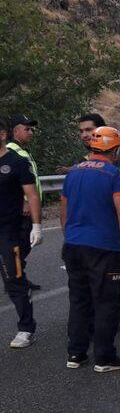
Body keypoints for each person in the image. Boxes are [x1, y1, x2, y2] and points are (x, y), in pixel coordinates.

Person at [60, 126, 120, 372]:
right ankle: (104, 357)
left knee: (79, 300)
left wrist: (69, 237)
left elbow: (64, 213)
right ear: (113, 149)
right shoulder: (115, 173)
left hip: (73, 245)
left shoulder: (73, 172)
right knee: (106, 302)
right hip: (103, 248)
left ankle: (76, 353)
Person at [0, 117, 42, 348]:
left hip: (9, 231)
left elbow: (32, 195)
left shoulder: (16, 161)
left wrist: (37, 226)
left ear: (3, 135)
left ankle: (26, 328)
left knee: (14, 280)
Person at [6, 114, 43, 291]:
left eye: (31, 129)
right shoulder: (10, 152)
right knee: (19, 247)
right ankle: (14, 280)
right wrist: (24, 202)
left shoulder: (22, 150)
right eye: (27, 129)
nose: (31, 132)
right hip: (21, 210)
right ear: (15, 131)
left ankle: (18, 278)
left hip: (29, 208)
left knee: (23, 247)